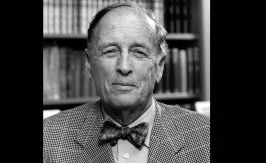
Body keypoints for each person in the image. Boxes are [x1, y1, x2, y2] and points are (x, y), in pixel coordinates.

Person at [43, 2, 210, 163]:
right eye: (110, 51)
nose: (123, 67)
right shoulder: (48, 138)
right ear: (88, 63)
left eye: (138, 52)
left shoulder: (205, 135)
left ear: (159, 66)